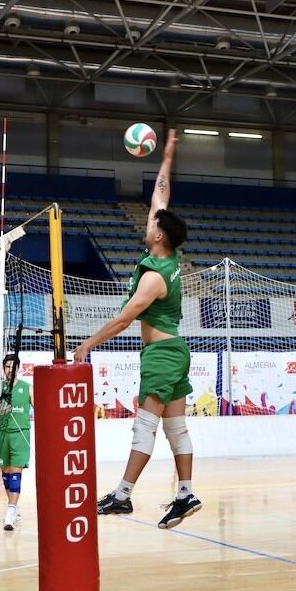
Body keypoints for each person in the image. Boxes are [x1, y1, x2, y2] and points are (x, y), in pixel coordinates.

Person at [73, 129, 202, 530]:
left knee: (145, 424)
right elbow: (160, 198)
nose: (147, 223)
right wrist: (166, 155)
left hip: (162, 355)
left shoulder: (154, 278)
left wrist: (86, 346)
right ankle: (185, 494)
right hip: (173, 350)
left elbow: (124, 319)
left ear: (159, 236)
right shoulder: (165, 252)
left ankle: (123, 495)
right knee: (176, 428)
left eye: (151, 225)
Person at [0, 354, 33, 530]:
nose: (10, 370)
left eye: (13, 366)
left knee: (16, 471)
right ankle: (13, 507)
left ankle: (10, 512)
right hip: (2, 435)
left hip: (20, 434)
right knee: (6, 473)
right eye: (7, 367)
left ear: (19, 368)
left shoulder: (27, 388)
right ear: (4, 368)